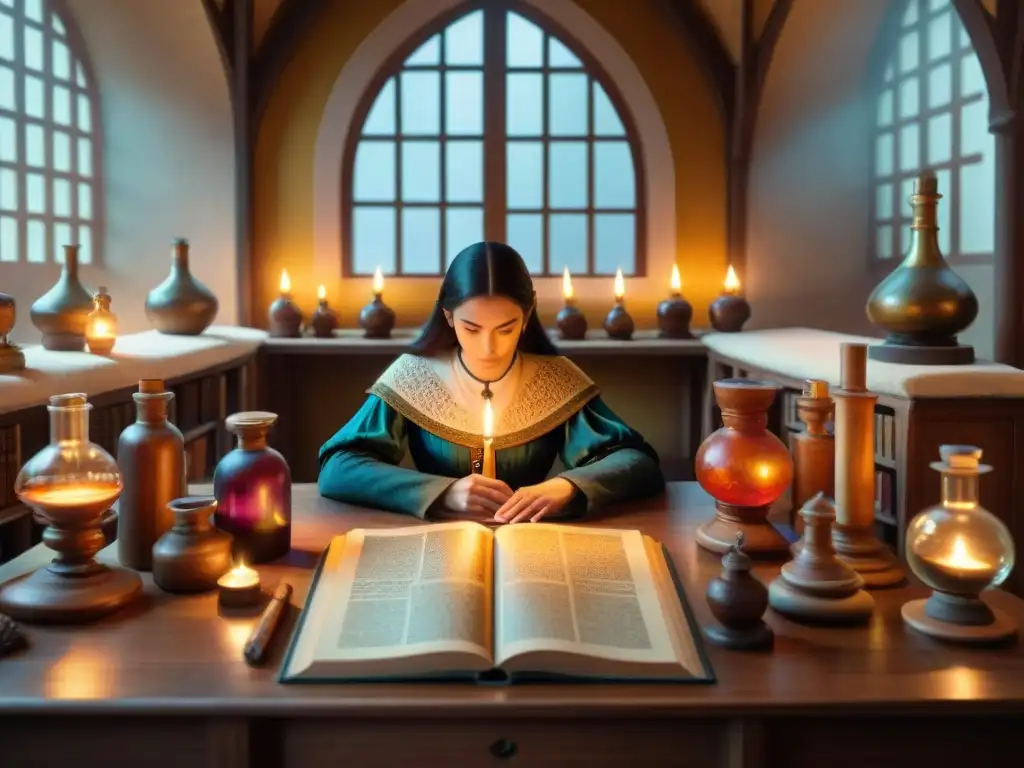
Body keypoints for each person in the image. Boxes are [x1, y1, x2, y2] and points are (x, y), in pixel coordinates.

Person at [317, 241, 665, 523]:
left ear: (527, 317)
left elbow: (638, 463)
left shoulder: (554, 379)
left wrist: (568, 486)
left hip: (533, 539)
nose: (489, 348)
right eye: (472, 328)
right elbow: (338, 469)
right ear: (448, 316)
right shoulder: (414, 376)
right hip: (442, 539)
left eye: (506, 328)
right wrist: (443, 492)